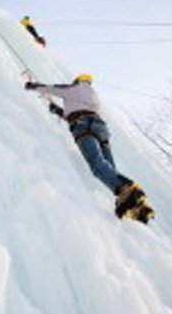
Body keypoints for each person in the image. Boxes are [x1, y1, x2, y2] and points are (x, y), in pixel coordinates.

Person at [25, 74, 155, 223]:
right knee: (109, 169)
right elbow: (78, 110)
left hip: (83, 126)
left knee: (97, 165)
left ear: (78, 81)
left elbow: (53, 89)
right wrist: (58, 110)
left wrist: (33, 85)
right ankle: (138, 205)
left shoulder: (74, 88)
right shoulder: (93, 97)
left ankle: (127, 190)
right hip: (100, 129)